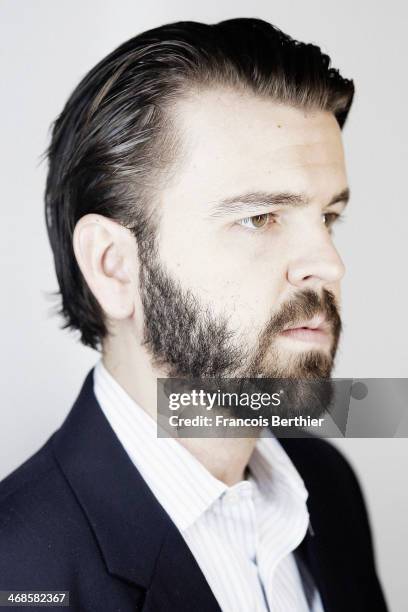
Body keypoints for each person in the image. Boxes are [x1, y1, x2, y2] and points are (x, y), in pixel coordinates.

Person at [0, 18, 388, 611]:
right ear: (114, 267)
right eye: (260, 217)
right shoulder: (19, 568)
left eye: (327, 217)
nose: (328, 265)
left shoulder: (326, 487)